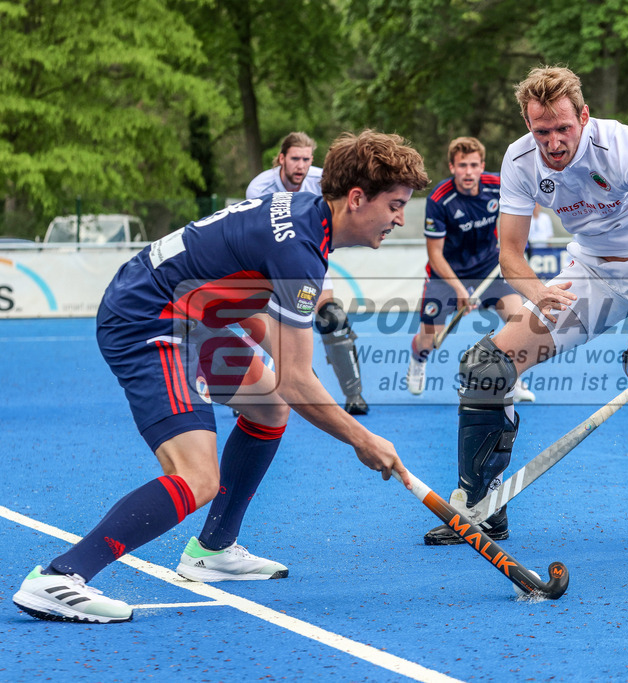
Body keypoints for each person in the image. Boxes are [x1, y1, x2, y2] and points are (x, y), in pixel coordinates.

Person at [12, 130, 429, 624]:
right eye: (396, 205)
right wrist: (364, 439)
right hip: (150, 321)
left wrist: (258, 363)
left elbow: (243, 304)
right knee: (198, 476)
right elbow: (298, 381)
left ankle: (212, 550)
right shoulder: (301, 251)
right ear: (357, 199)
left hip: (190, 318)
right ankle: (61, 576)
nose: (400, 219)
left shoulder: (301, 218)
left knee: (267, 407)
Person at [422, 66, 628, 547]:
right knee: (487, 365)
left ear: (584, 117)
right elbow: (509, 254)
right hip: (591, 270)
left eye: (563, 128)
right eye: (540, 130)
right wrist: (535, 291)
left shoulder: (620, 144)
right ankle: (480, 505)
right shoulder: (520, 161)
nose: (552, 142)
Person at [247, 132, 369, 415]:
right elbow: (262, 233)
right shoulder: (259, 187)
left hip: (310, 255)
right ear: (281, 159)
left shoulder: (324, 181)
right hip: (268, 260)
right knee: (258, 320)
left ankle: (354, 395)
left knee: (332, 318)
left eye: (305, 159)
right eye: (294, 159)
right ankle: (253, 388)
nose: (300, 166)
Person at [405, 136, 534, 402]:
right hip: (446, 275)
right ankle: (418, 359)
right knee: (430, 340)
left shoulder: (497, 185)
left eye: (474, 165)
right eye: (462, 165)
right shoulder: (440, 200)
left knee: (518, 320)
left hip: (489, 268)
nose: (468, 172)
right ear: (452, 167)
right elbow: (435, 255)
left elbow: (526, 202)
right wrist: (460, 289)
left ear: (482, 165)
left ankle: (514, 379)